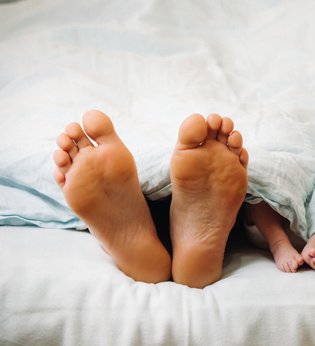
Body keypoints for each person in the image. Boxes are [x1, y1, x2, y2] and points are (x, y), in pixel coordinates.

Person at [52, 110, 248, 289]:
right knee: (255, 207)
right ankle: (195, 254)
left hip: (154, 209)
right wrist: (276, 243)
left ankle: (132, 246)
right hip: (233, 218)